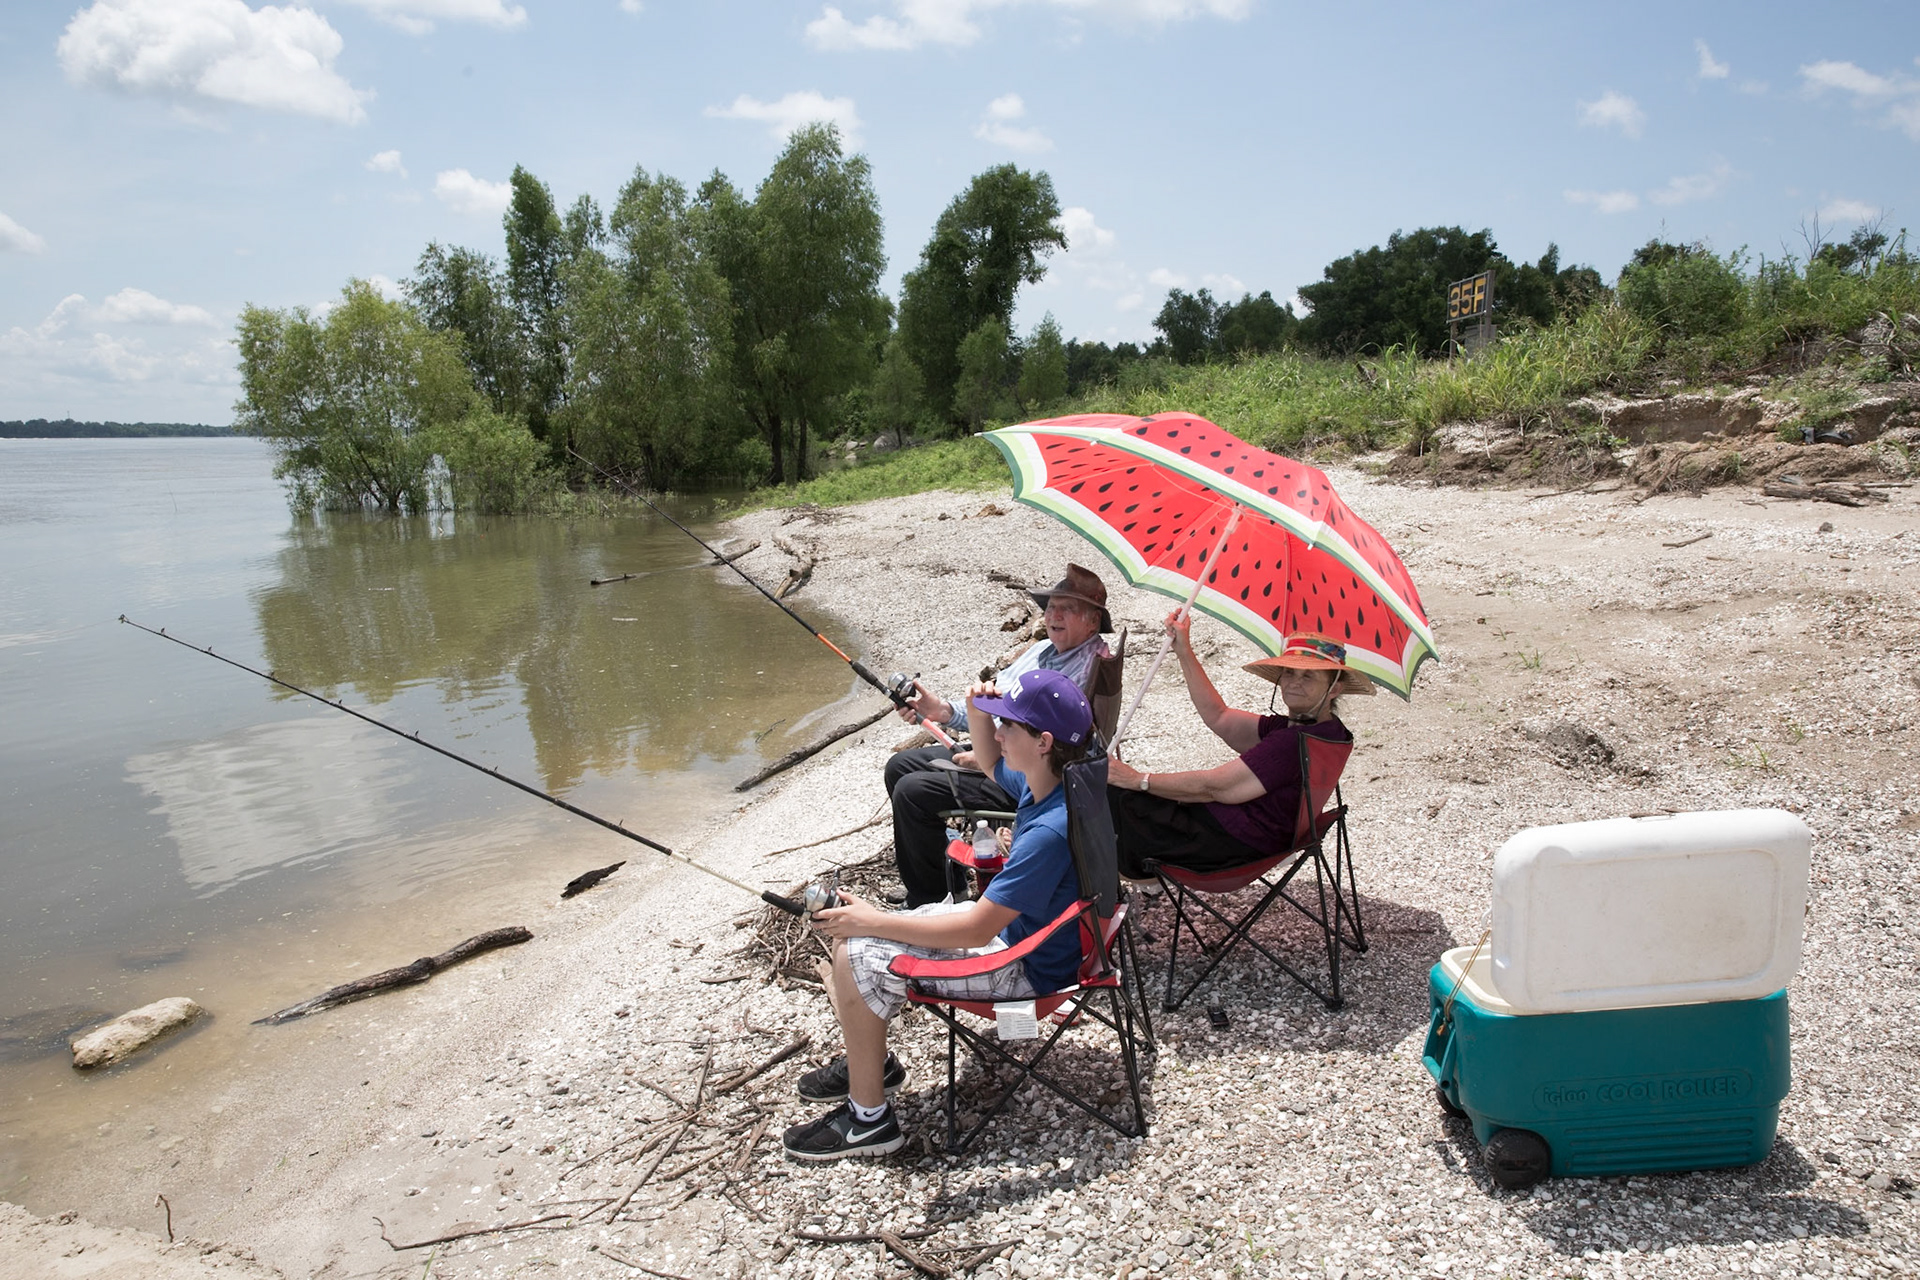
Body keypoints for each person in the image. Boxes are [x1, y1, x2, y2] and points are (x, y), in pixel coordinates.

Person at [783, 669, 1093, 1161]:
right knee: (857, 935)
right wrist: (975, 703)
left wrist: (873, 921)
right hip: (1037, 940)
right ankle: (874, 1064)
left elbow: (976, 927)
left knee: (856, 950)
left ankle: (869, 1123)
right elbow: (990, 761)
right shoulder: (1056, 784)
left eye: (1008, 726)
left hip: (1025, 968)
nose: (995, 734)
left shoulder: (1047, 832)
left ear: (1044, 741)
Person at [883, 564, 1112, 907]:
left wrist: (986, 759)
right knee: (899, 766)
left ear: (1093, 621)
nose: (1054, 615)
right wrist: (941, 711)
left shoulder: (1088, 668)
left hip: (1028, 775)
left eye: (1068, 608)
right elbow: (992, 703)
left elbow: (1057, 745)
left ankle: (929, 899)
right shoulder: (1041, 651)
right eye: (1050, 607)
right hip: (1003, 745)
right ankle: (945, 879)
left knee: (912, 791)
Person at [1104, 619, 1371, 877]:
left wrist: (1138, 780)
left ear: (1334, 689)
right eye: (1289, 672)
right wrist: (1184, 651)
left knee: (1108, 794)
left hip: (1230, 846)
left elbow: (1216, 787)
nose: (1293, 682)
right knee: (1126, 795)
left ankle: (1093, 902)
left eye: (1308, 676)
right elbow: (1219, 716)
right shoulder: (1328, 732)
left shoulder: (1292, 742)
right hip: (1262, 839)